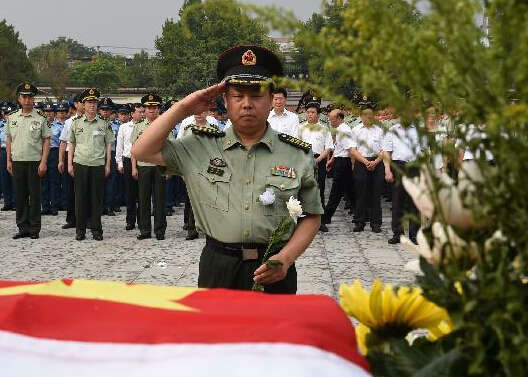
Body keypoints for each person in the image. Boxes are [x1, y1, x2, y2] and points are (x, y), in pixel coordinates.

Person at [131, 45, 323, 294]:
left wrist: (285, 259)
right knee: (217, 334)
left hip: (274, 268)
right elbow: (141, 151)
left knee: (272, 334)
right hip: (218, 265)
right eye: (237, 96)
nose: (247, 104)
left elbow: (312, 215)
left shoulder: (296, 154)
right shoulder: (199, 146)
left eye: (256, 96)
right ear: (224, 101)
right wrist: (182, 109)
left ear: (271, 100)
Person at [68, 88, 114, 241]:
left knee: (96, 199)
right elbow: (71, 144)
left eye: (94, 102)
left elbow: (108, 145)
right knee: (80, 198)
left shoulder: (104, 124)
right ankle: (80, 230)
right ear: (83, 104)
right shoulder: (76, 123)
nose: (92, 105)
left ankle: (96, 230)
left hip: (97, 164)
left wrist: (108, 165)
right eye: (89, 102)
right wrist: (69, 164)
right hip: (80, 163)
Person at [6, 82, 51, 239]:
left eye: (30, 97)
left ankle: (34, 228)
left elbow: (46, 140)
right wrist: (9, 161)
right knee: (20, 195)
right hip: (18, 161)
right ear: (19, 99)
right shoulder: (12, 118)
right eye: (24, 97)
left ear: (33, 99)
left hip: (34, 162)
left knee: (35, 195)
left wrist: (44, 162)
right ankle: (22, 227)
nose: (26, 100)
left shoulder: (40, 118)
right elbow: (9, 139)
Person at [130, 93, 168, 241]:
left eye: (154, 107)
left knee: (159, 200)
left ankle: (160, 230)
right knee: (143, 199)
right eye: (149, 108)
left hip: (159, 166)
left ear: (159, 109)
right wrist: (133, 167)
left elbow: (169, 148)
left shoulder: (165, 125)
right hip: (143, 166)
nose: (151, 110)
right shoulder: (138, 126)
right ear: (144, 110)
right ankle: (145, 230)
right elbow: (134, 149)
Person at [383, 120, 421, 244]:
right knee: (397, 201)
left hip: (414, 167)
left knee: (414, 202)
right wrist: (387, 170)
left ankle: (414, 235)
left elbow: (426, 150)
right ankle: (397, 234)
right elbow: (387, 152)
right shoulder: (393, 130)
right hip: (398, 166)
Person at [350, 101, 385, 233]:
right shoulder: (355, 130)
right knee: (360, 194)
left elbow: (384, 150)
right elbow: (353, 150)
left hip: (377, 163)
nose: (368, 117)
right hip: (361, 162)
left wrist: (375, 162)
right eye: (365, 115)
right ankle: (360, 222)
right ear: (361, 116)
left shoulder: (380, 130)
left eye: (370, 115)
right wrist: (365, 162)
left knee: (376, 194)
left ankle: (376, 223)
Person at [319, 109, 354, 232]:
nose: (329, 120)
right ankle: (361, 215)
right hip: (340, 161)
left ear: (339, 118)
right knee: (349, 190)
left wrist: (353, 164)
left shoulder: (344, 130)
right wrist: (332, 161)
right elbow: (338, 148)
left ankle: (326, 217)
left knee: (336, 191)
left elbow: (350, 150)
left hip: (344, 163)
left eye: (331, 118)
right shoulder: (340, 129)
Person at [298, 97, 334, 210]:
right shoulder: (300, 128)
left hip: (319, 160)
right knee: (303, 189)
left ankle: (321, 220)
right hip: (303, 161)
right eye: (308, 112)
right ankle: (305, 216)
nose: (310, 114)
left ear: (318, 115)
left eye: (313, 112)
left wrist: (318, 160)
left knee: (320, 188)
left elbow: (328, 147)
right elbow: (295, 145)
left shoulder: (324, 129)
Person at [58, 94, 83, 229]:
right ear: (76, 104)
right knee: (70, 189)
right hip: (70, 156)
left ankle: (87, 218)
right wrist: (61, 160)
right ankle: (71, 219)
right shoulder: (69, 122)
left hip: (86, 155)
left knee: (86, 189)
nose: (83, 104)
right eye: (81, 102)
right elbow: (63, 142)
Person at [116, 104, 139, 230]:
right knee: (130, 192)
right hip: (128, 160)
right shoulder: (124, 127)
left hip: (143, 161)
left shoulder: (147, 126)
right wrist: (119, 162)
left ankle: (142, 220)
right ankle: (130, 220)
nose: (141, 114)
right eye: (138, 112)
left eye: (142, 112)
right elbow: (119, 145)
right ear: (132, 114)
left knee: (142, 192)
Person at [42, 102, 67, 216]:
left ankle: (54, 206)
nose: (48, 114)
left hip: (54, 152)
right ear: (43, 113)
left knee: (54, 181)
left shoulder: (60, 126)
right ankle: (45, 206)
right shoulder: (40, 124)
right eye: (46, 112)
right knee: (43, 181)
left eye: (51, 112)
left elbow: (63, 142)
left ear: (54, 113)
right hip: (41, 153)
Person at [98, 97, 118, 216]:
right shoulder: (96, 124)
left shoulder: (116, 125)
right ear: (99, 110)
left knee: (111, 182)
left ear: (111, 111)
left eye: (107, 109)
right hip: (98, 154)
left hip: (112, 154)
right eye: (103, 109)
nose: (105, 112)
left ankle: (109, 206)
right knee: (98, 182)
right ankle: (99, 207)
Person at [0, 102, 15, 211]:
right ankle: (7, 202)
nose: (8, 115)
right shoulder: (1, 124)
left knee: (14, 177)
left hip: (15, 152)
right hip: (3, 151)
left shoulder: (16, 124)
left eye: (10, 113)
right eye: (6, 113)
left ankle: (15, 202)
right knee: (4, 178)